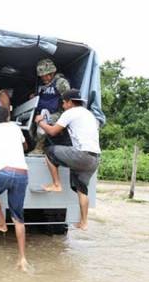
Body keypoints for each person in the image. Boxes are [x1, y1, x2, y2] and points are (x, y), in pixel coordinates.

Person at [34, 89, 101, 230]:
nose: (63, 105)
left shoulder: (70, 112)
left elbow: (52, 131)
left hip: (81, 155)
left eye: (64, 102)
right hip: (94, 158)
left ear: (70, 102)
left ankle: (56, 184)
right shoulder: (89, 114)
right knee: (82, 190)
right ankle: (84, 223)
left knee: (50, 151)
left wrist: (40, 122)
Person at [0, 106, 29, 270]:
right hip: (22, 174)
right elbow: (25, 147)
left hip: (3, 173)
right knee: (18, 218)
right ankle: (22, 258)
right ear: (8, 116)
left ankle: (2, 222)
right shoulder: (16, 128)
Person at [30, 58, 71, 154]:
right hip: (43, 113)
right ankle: (37, 146)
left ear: (52, 73)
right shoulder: (42, 85)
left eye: (46, 76)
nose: (44, 78)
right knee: (31, 126)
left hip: (58, 113)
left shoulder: (60, 82)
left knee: (42, 121)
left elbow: (68, 100)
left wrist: (66, 118)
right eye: (42, 76)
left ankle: (39, 149)